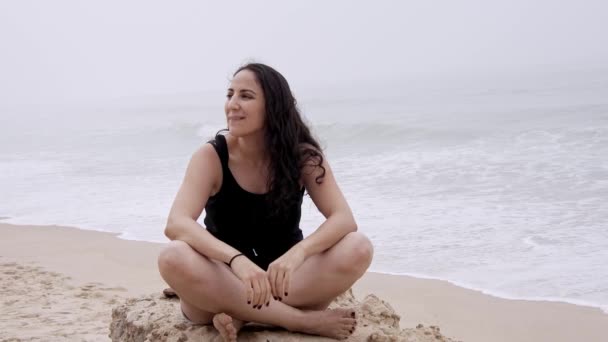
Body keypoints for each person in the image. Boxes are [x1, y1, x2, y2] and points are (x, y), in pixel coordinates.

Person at [157, 63, 373, 341]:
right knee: (173, 257)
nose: (232, 104)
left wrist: (299, 253)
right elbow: (177, 223)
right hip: (223, 280)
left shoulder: (302, 158)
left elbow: (344, 219)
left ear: (273, 107)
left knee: (358, 247)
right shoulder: (211, 157)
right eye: (230, 94)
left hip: (284, 282)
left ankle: (243, 316)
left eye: (245, 96)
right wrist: (237, 261)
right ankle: (297, 319)